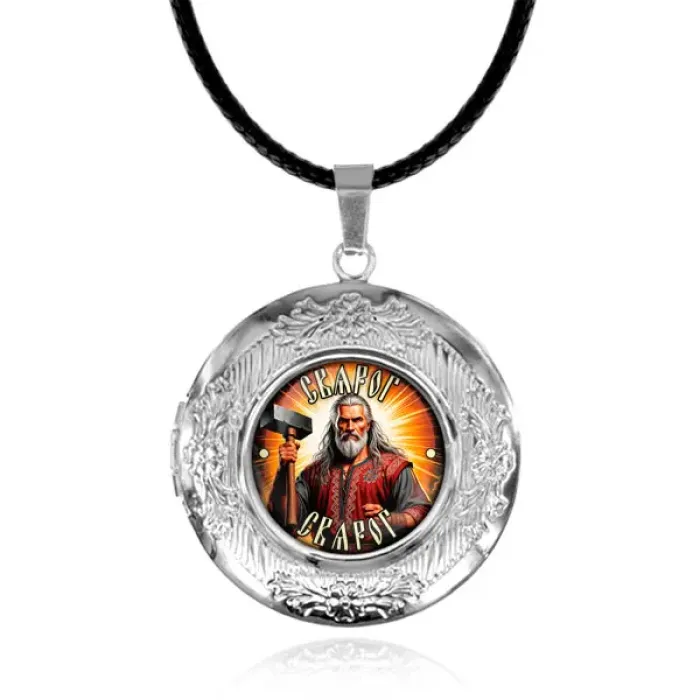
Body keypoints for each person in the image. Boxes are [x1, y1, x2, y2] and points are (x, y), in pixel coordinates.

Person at [268, 393, 430, 552]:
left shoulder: (393, 468)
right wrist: (284, 469)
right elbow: (286, 519)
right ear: (335, 426)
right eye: (343, 421)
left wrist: (390, 520)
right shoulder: (314, 473)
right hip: (327, 561)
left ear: (368, 425)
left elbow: (420, 511)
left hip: (379, 558)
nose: (350, 427)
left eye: (357, 420)